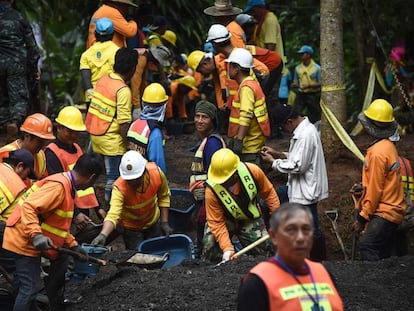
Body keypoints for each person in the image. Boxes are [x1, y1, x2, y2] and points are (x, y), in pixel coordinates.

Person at [3, 153, 104, 311]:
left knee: (26, 285)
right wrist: (36, 234)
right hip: (22, 238)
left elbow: (58, 226)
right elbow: (29, 207)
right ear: (92, 177)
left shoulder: (66, 187)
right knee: (30, 287)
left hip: (26, 237)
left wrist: (73, 246)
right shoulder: (59, 187)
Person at [237, 203, 344, 311]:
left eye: (306, 229)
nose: (300, 238)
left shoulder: (324, 273)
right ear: (273, 236)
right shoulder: (258, 283)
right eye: (291, 230)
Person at [260, 104, 328, 260]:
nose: (283, 131)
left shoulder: (306, 135)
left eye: (282, 127)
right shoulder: (303, 131)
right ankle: (278, 241)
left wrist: (273, 162)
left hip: (306, 189)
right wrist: (278, 154)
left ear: (289, 122)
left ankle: (318, 260)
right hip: (297, 186)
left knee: (312, 228)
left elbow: (298, 166)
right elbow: (298, 156)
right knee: (266, 202)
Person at [202, 148, 280, 263]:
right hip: (224, 220)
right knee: (209, 244)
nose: (222, 183)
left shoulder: (253, 171)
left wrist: (278, 218)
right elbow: (216, 222)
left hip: (248, 218)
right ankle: (212, 269)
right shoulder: (211, 190)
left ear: (235, 172)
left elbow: (268, 193)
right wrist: (227, 249)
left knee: (265, 251)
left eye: (225, 179)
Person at [352, 99, 407, 261]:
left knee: (368, 247)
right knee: (386, 255)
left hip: (386, 211)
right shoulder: (388, 146)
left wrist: (362, 218)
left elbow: (376, 190)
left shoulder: (377, 153)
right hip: (395, 208)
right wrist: (364, 188)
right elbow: (382, 181)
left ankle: (377, 286)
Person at [45, 106, 105, 243]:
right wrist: (75, 214)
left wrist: (98, 207)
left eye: (76, 132)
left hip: (81, 209)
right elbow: (60, 188)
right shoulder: (52, 153)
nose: (73, 135)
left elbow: (87, 180)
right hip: (66, 210)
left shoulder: (77, 148)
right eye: (69, 131)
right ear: (59, 128)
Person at [85, 47, 138, 203]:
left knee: (89, 172)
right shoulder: (123, 90)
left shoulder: (104, 79)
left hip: (94, 136)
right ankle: (111, 211)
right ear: (133, 68)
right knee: (113, 179)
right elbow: (123, 122)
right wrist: (128, 144)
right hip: (110, 142)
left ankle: (88, 202)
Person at [91, 150, 173, 250]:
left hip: (152, 222)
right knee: (135, 257)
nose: (133, 183)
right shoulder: (119, 188)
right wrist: (103, 235)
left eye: (136, 179)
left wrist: (164, 222)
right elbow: (113, 214)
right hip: (131, 228)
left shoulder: (156, 173)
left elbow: (164, 196)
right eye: (129, 181)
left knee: (155, 253)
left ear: (144, 171)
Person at [0, 0, 40, 143]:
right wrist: (33, 68)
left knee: (2, 97)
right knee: (18, 98)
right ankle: (14, 123)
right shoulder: (19, 18)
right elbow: (32, 48)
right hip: (15, 63)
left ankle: (4, 126)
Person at [189, 100, 226, 256]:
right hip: (203, 198)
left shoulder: (212, 144)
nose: (199, 120)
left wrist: (206, 204)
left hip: (209, 199)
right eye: (197, 116)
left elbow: (215, 176)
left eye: (204, 117)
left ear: (212, 120)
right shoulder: (207, 140)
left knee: (207, 237)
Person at [225, 48, 271, 164]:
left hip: (249, 145)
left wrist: (239, 141)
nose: (227, 69)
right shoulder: (252, 83)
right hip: (253, 141)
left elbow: (246, 115)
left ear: (237, 69)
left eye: (230, 66)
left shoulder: (246, 88)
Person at [0, 113, 55, 186]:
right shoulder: (5, 154)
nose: (43, 146)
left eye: (45, 142)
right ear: (27, 136)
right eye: (40, 142)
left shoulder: (41, 156)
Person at [127, 83, 168, 174]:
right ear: (163, 106)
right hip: (147, 178)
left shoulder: (134, 124)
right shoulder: (154, 132)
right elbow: (157, 164)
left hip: (132, 174)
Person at [80, 17, 120, 104]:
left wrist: (92, 98)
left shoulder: (86, 54)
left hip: (92, 98)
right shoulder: (118, 52)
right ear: (113, 34)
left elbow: (85, 77)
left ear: (95, 34)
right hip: (112, 96)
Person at [130, 44, 171, 116]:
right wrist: (137, 107)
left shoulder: (145, 56)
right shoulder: (142, 59)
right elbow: (135, 83)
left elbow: (143, 82)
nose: (157, 64)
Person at [291, 45, 321, 124]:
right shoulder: (298, 68)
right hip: (301, 93)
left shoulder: (317, 68)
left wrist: (309, 86)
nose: (301, 56)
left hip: (313, 94)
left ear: (308, 55)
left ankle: (315, 128)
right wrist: (295, 85)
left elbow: (321, 83)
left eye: (303, 54)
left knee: (314, 113)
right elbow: (295, 81)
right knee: (296, 111)